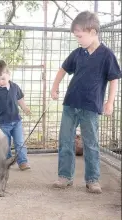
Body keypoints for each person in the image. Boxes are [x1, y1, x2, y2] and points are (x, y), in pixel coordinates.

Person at [51, 11, 121, 193]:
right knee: (65, 140)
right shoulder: (78, 53)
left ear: (93, 32)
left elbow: (114, 79)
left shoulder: (107, 55)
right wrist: (55, 86)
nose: (78, 40)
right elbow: (63, 69)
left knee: (91, 143)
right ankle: (64, 177)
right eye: (76, 36)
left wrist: (110, 102)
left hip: (90, 107)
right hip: (70, 104)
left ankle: (93, 179)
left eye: (80, 36)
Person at [0, 60, 31, 170]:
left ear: (9, 75)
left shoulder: (15, 87)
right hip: (2, 123)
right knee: (5, 145)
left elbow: (20, 99)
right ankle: (7, 161)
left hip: (16, 121)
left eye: (3, 79)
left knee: (20, 142)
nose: (0, 82)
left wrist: (25, 108)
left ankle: (23, 162)